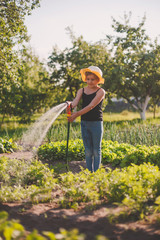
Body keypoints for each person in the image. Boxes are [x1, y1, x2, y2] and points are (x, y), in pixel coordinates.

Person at [67, 66, 105, 172]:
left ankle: (96, 173)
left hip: (96, 123)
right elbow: (74, 103)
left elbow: (91, 106)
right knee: (88, 150)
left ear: (98, 80)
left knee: (96, 150)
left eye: (93, 79)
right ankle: (89, 172)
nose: (90, 81)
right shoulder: (82, 90)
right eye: (88, 79)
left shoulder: (101, 92)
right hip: (84, 123)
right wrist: (69, 105)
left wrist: (76, 114)